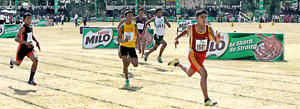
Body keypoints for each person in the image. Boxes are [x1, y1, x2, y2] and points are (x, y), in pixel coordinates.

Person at [168, 10, 220, 106]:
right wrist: (176, 38)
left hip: (202, 56)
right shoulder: (191, 27)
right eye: (202, 17)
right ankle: (206, 100)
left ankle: (177, 63)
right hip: (193, 55)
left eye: (205, 17)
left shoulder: (209, 29)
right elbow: (185, 31)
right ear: (197, 19)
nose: (204, 19)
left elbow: (217, 42)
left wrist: (218, 39)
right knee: (204, 74)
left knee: (189, 73)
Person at [9, 12, 41, 86]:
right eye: (27, 19)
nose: (29, 20)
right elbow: (16, 38)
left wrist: (36, 41)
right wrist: (25, 42)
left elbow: (31, 35)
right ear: (24, 20)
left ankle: (31, 79)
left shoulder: (31, 27)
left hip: (29, 48)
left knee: (35, 59)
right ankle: (12, 61)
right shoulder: (22, 28)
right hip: (22, 48)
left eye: (30, 19)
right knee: (18, 63)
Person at [117, 10, 140, 85]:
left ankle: (129, 56)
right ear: (125, 17)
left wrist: (139, 46)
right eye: (129, 16)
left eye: (131, 16)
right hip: (124, 46)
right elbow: (118, 38)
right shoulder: (122, 26)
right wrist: (123, 40)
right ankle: (127, 79)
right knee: (125, 64)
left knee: (135, 64)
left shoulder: (134, 25)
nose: (131, 17)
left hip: (132, 47)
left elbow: (137, 35)